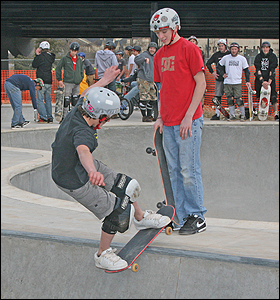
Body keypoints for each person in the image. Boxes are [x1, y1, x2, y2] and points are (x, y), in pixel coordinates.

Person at [51, 65, 171, 271]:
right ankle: (102, 254)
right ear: (102, 116)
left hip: (76, 164)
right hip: (72, 177)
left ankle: (141, 218)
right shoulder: (83, 132)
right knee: (118, 213)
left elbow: (88, 92)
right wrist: (91, 172)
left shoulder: (83, 107)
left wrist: (105, 80)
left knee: (129, 187)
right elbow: (83, 151)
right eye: (107, 118)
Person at [150, 7, 207, 235]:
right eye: (158, 33)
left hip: (189, 121)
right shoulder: (158, 56)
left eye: (164, 31)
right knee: (172, 170)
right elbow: (162, 90)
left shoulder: (189, 49)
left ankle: (197, 216)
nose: (161, 37)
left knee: (188, 170)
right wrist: (161, 117)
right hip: (170, 122)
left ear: (175, 28)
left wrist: (187, 117)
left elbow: (201, 84)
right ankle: (179, 215)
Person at [218, 42, 251, 121]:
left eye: (235, 49)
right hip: (228, 82)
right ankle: (232, 115)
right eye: (232, 49)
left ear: (238, 50)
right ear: (230, 49)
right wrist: (222, 74)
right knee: (229, 99)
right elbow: (219, 66)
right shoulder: (226, 58)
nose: (233, 51)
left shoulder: (242, 59)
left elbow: (246, 70)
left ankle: (242, 115)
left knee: (239, 99)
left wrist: (247, 81)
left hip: (237, 82)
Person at [56, 42, 84, 120]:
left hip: (77, 82)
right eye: (72, 50)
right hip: (68, 81)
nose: (73, 52)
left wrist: (80, 78)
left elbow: (82, 69)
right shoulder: (65, 58)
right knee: (66, 99)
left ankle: (73, 116)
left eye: (75, 51)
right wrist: (59, 80)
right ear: (70, 50)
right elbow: (58, 68)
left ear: (77, 51)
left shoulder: (79, 60)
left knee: (75, 99)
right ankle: (65, 116)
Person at [206, 39, 230, 120]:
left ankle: (232, 114)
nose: (221, 47)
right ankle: (217, 114)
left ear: (225, 46)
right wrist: (212, 73)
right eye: (219, 46)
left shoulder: (229, 54)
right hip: (219, 79)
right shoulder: (216, 55)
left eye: (222, 46)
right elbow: (208, 63)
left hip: (229, 79)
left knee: (230, 96)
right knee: (217, 97)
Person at [254, 41, 279, 121]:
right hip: (260, 80)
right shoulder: (258, 56)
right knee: (259, 96)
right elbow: (257, 69)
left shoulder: (273, 56)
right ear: (261, 48)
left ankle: (276, 114)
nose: (265, 49)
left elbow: (272, 69)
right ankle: (259, 113)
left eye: (266, 47)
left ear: (269, 48)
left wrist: (269, 82)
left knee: (273, 97)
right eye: (264, 47)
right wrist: (262, 81)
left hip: (270, 80)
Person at [32, 40, 56, 123]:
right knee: (48, 99)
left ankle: (43, 116)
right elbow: (52, 56)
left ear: (41, 48)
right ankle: (50, 116)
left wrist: (37, 55)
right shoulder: (51, 57)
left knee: (40, 99)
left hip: (41, 81)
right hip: (49, 81)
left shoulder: (40, 57)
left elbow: (34, 65)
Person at [134, 42, 158, 122]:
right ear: (148, 48)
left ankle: (149, 115)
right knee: (144, 98)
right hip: (143, 78)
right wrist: (144, 59)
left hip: (151, 80)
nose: (152, 50)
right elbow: (136, 59)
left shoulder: (154, 57)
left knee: (152, 98)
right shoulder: (144, 55)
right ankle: (144, 116)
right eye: (151, 48)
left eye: (154, 49)